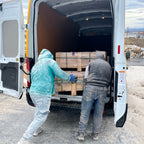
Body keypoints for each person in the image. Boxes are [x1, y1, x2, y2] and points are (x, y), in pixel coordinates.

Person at [18, 49, 77, 144]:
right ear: (50, 55)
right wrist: (69, 77)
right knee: (41, 116)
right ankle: (24, 139)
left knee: (38, 111)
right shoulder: (50, 62)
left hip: (33, 92)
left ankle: (37, 130)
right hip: (43, 93)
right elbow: (59, 73)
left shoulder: (36, 65)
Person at [77, 52, 112, 141]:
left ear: (96, 58)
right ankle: (95, 135)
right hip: (103, 90)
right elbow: (109, 78)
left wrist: (88, 83)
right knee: (98, 114)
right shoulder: (108, 65)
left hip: (90, 89)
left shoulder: (91, 63)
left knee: (85, 112)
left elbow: (85, 77)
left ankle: (81, 134)